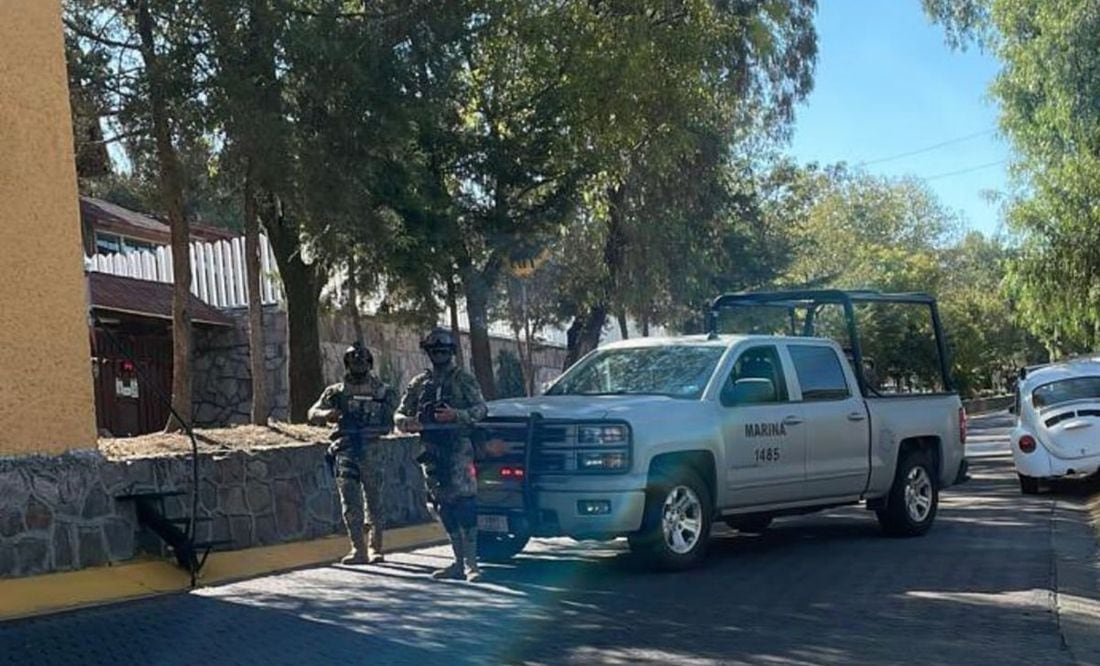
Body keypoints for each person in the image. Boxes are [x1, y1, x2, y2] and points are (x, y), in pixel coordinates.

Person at [395, 328, 488, 582]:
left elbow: (481, 408)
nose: (439, 355)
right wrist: (409, 423)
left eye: (444, 351)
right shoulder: (419, 383)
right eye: (434, 351)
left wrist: (456, 415)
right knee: (443, 505)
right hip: (431, 451)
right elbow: (399, 415)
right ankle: (457, 562)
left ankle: (472, 564)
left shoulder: (463, 380)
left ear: (451, 352)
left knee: (465, 503)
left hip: (458, 449)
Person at [308, 341, 396, 565]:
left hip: (372, 449)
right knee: (350, 502)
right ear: (347, 364)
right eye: (354, 361)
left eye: (362, 361)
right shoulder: (336, 392)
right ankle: (358, 548)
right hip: (346, 450)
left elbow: (392, 419)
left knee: (375, 502)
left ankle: (376, 547)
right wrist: (328, 414)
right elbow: (312, 412)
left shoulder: (382, 391)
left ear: (369, 363)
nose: (358, 365)